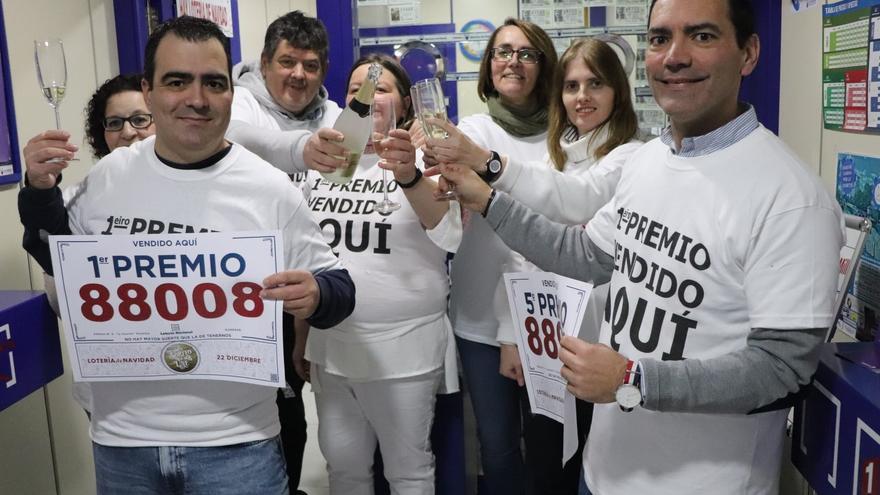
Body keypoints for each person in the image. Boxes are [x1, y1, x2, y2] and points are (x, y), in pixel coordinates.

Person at [440, 1, 843, 494]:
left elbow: (781, 368)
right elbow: (584, 255)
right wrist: (487, 202)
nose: (674, 56)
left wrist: (634, 380)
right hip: (604, 469)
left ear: (749, 52)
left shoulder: (794, 198)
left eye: (701, 36)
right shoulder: (650, 161)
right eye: (659, 39)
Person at [18, 16, 355, 495]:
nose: (196, 99)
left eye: (213, 83)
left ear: (230, 94)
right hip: (122, 442)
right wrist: (36, 190)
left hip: (239, 445)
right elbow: (56, 255)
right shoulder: (110, 176)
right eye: (177, 81)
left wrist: (317, 293)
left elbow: (341, 290)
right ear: (149, 91)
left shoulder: (268, 188)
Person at [297, 53, 459, 495]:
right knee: (344, 469)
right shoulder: (327, 162)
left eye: (379, 87)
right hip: (332, 347)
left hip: (403, 352)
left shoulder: (430, 154)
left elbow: (450, 234)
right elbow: (307, 256)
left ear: (403, 103)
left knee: (407, 472)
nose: (366, 96)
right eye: (355, 89)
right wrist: (301, 336)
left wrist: (408, 175)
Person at [22, 73, 156, 415]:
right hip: (111, 396)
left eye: (140, 119)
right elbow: (58, 263)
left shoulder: (203, 188)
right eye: (115, 123)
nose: (128, 132)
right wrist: (39, 187)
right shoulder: (82, 198)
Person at [227, 10, 341, 176]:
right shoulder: (241, 100)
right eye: (287, 62)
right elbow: (234, 137)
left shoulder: (332, 114)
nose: (299, 74)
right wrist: (303, 148)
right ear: (265, 65)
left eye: (310, 66)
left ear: (324, 71)